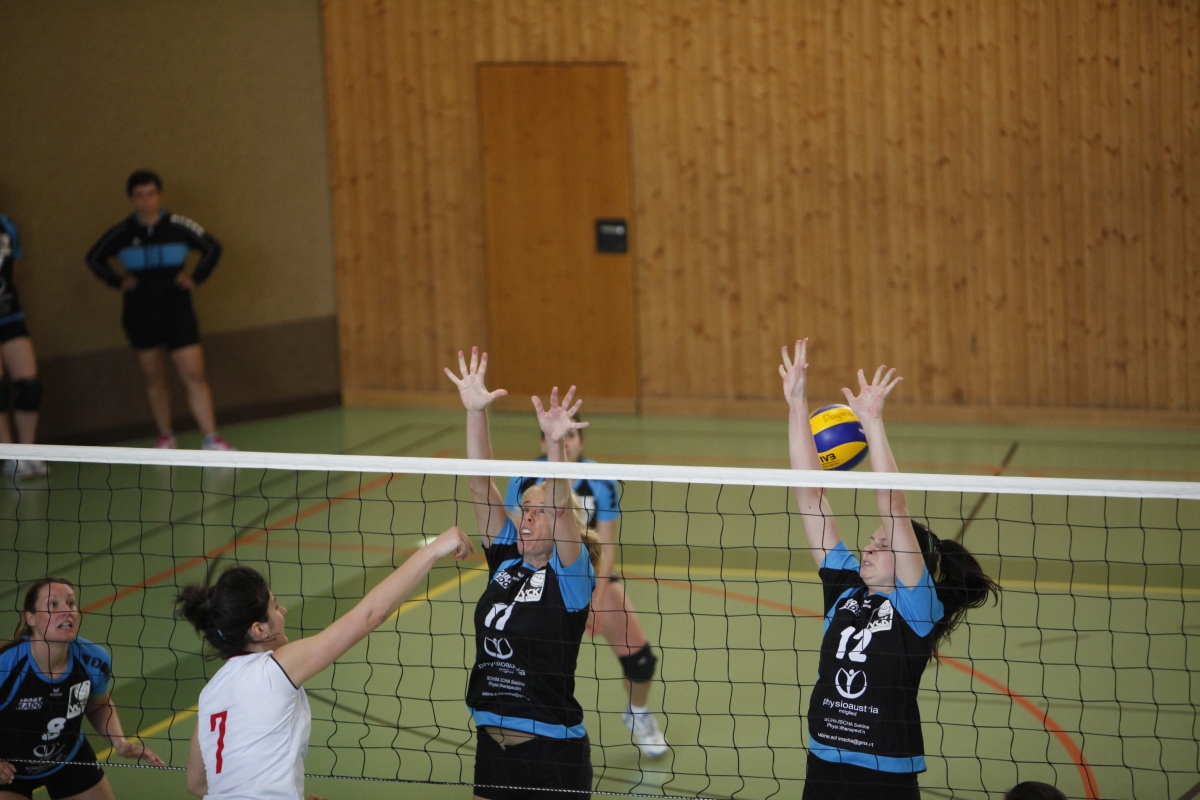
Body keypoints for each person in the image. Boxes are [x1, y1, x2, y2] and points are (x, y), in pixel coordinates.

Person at [779, 339, 1000, 800]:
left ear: (909, 563)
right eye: (872, 540)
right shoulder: (845, 587)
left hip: (884, 776)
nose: (870, 546)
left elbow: (894, 505)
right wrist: (797, 403)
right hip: (823, 763)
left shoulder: (917, 608)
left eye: (883, 544)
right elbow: (809, 495)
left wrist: (873, 421)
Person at [176, 526, 473, 800]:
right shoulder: (275, 669)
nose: (283, 611)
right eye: (274, 606)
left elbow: (196, 783)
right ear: (259, 630)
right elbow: (370, 616)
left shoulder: (210, 693)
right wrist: (434, 549)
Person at [445, 347, 600, 800]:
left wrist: (555, 445)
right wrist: (475, 413)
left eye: (539, 511)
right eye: (524, 509)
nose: (528, 516)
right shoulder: (507, 560)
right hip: (491, 749)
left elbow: (561, 505)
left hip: (552, 754)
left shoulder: (571, 579)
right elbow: (480, 484)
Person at [505, 418, 668, 757]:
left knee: (641, 662)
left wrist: (595, 598)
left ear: (581, 441)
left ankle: (638, 713)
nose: (565, 442)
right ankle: (527, 729)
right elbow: (520, 538)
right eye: (557, 437)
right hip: (540, 579)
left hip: (591, 576)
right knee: (530, 666)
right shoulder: (523, 478)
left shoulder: (600, 479)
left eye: (571, 435)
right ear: (543, 443)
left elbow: (606, 546)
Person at [85, 170, 233, 451]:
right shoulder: (122, 233)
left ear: (159, 195)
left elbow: (213, 248)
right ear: (132, 199)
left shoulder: (179, 226)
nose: (146, 201)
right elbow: (94, 258)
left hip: (177, 310)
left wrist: (195, 277)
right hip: (139, 312)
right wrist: (118, 281)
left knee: (193, 373)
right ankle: (165, 434)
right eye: (139, 196)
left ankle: (211, 437)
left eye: (151, 194)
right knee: (153, 375)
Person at [0, 578, 163, 799]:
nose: (66, 611)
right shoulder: (6, 665)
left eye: (71, 603)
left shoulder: (94, 660)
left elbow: (98, 705)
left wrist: (119, 741)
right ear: (31, 618)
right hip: (9, 769)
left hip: (67, 757)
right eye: (53, 604)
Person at [0, 214, 47, 479]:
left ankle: (27, 452)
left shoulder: (6, 226)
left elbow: (12, 270)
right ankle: (9, 456)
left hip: (10, 316)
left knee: (30, 388)